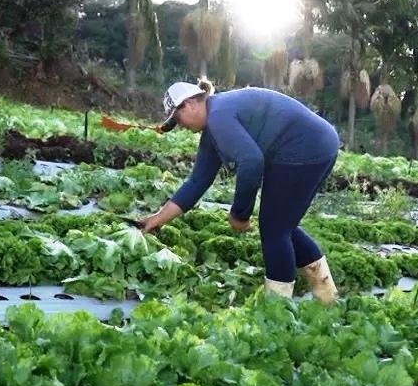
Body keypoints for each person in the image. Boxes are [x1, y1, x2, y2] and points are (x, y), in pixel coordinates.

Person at [140, 79, 341, 304]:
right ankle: (328, 297)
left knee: (274, 231)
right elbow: (197, 182)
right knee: (282, 226)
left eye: (178, 118)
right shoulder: (213, 127)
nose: (182, 125)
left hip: (304, 147)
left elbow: (252, 162)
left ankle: (277, 310)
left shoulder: (219, 116)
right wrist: (157, 219)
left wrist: (239, 214)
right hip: (320, 143)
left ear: (190, 104)